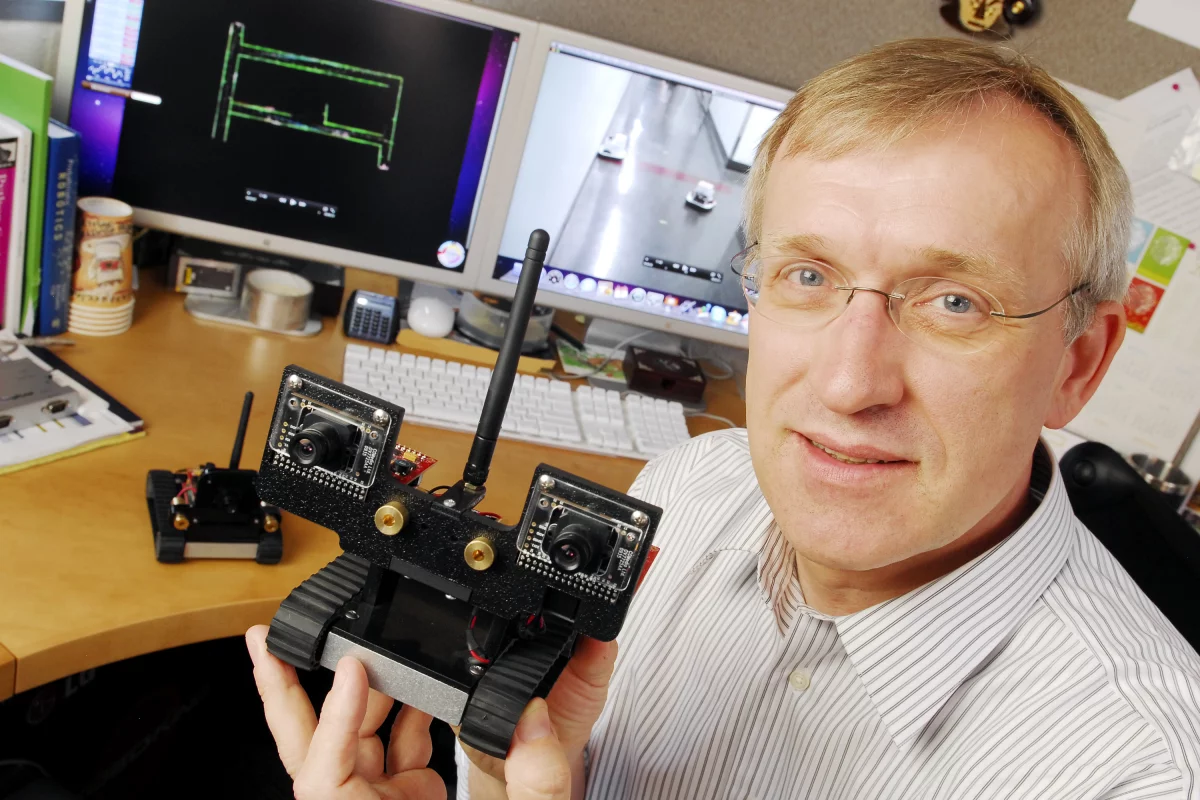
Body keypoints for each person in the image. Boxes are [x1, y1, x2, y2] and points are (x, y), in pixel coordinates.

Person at [247, 37, 1200, 799]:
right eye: (808, 276)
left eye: (953, 301)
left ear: (1078, 362)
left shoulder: (1141, 774)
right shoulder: (689, 491)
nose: (848, 382)